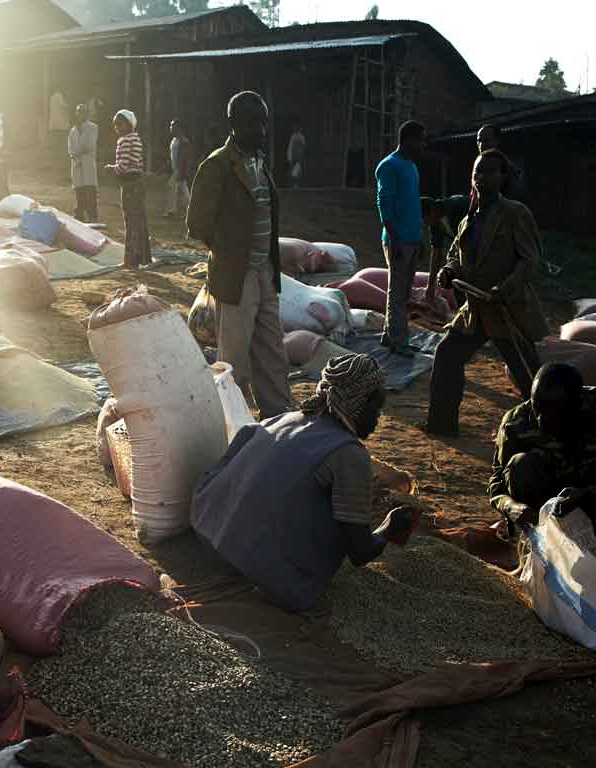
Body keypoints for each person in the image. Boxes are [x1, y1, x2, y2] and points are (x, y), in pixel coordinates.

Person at [192, 354, 420, 612]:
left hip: (210, 538)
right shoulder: (349, 453)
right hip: (269, 576)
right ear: (357, 403)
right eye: (376, 409)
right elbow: (360, 552)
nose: (379, 419)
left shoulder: (282, 419)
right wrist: (391, 526)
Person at [424, 150, 548, 437]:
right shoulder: (469, 219)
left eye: (490, 171)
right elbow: (456, 254)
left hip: (507, 309)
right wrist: (450, 271)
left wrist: (503, 290)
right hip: (476, 310)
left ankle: (549, 432)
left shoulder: (515, 213)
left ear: (503, 177)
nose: (482, 177)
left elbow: (530, 260)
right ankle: (441, 425)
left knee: (528, 376)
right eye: (478, 171)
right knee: (446, 355)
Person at [187, 91, 294, 418]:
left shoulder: (260, 161)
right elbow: (197, 224)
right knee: (233, 358)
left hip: (264, 270)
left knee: (272, 349)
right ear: (233, 125)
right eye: (251, 125)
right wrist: (229, 254)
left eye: (263, 124)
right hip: (236, 275)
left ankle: (277, 414)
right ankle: (229, 421)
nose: (260, 131)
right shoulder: (217, 166)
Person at [489, 362, 596, 573]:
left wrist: (588, 495)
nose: (541, 420)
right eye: (537, 406)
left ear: (578, 404)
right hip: (549, 508)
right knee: (520, 466)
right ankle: (542, 553)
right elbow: (497, 482)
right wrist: (511, 507)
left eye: (554, 412)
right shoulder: (516, 423)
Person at [375, 120, 427, 356]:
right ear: (407, 140)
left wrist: (420, 237)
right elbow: (383, 204)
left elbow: (413, 205)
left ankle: (391, 336)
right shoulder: (389, 166)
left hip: (412, 238)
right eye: (420, 140)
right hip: (398, 241)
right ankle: (399, 341)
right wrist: (394, 240)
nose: (422, 146)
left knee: (402, 292)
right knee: (398, 293)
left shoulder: (413, 167)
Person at [106, 109, 151, 268]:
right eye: (115, 125)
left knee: (130, 221)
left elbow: (123, 166)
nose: (117, 127)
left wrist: (111, 168)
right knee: (138, 220)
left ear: (129, 124)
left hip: (130, 184)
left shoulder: (125, 140)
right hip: (138, 183)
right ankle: (140, 257)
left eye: (120, 123)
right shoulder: (136, 139)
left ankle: (131, 260)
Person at [476, 124, 525, 200]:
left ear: (496, 141)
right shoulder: (479, 166)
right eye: (479, 140)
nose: (481, 144)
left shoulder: (508, 166)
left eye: (486, 140)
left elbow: (516, 194)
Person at [67, 104, 98, 222]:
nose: (81, 114)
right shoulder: (73, 130)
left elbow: (89, 145)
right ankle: (79, 216)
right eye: (79, 112)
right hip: (76, 163)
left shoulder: (93, 127)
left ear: (87, 114)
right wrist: (75, 155)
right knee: (79, 191)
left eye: (83, 112)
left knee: (90, 191)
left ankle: (93, 216)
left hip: (87, 163)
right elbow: (70, 148)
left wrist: (76, 153)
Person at [164, 119, 192, 218]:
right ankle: (190, 210)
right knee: (183, 191)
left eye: (172, 126)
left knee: (171, 186)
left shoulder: (184, 141)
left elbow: (186, 158)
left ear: (178, 128)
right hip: (176, 168)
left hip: (179, 169)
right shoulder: (174, 141)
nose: (170, 128)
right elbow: (172, 156)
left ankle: (172, 210)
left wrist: (183, 171)